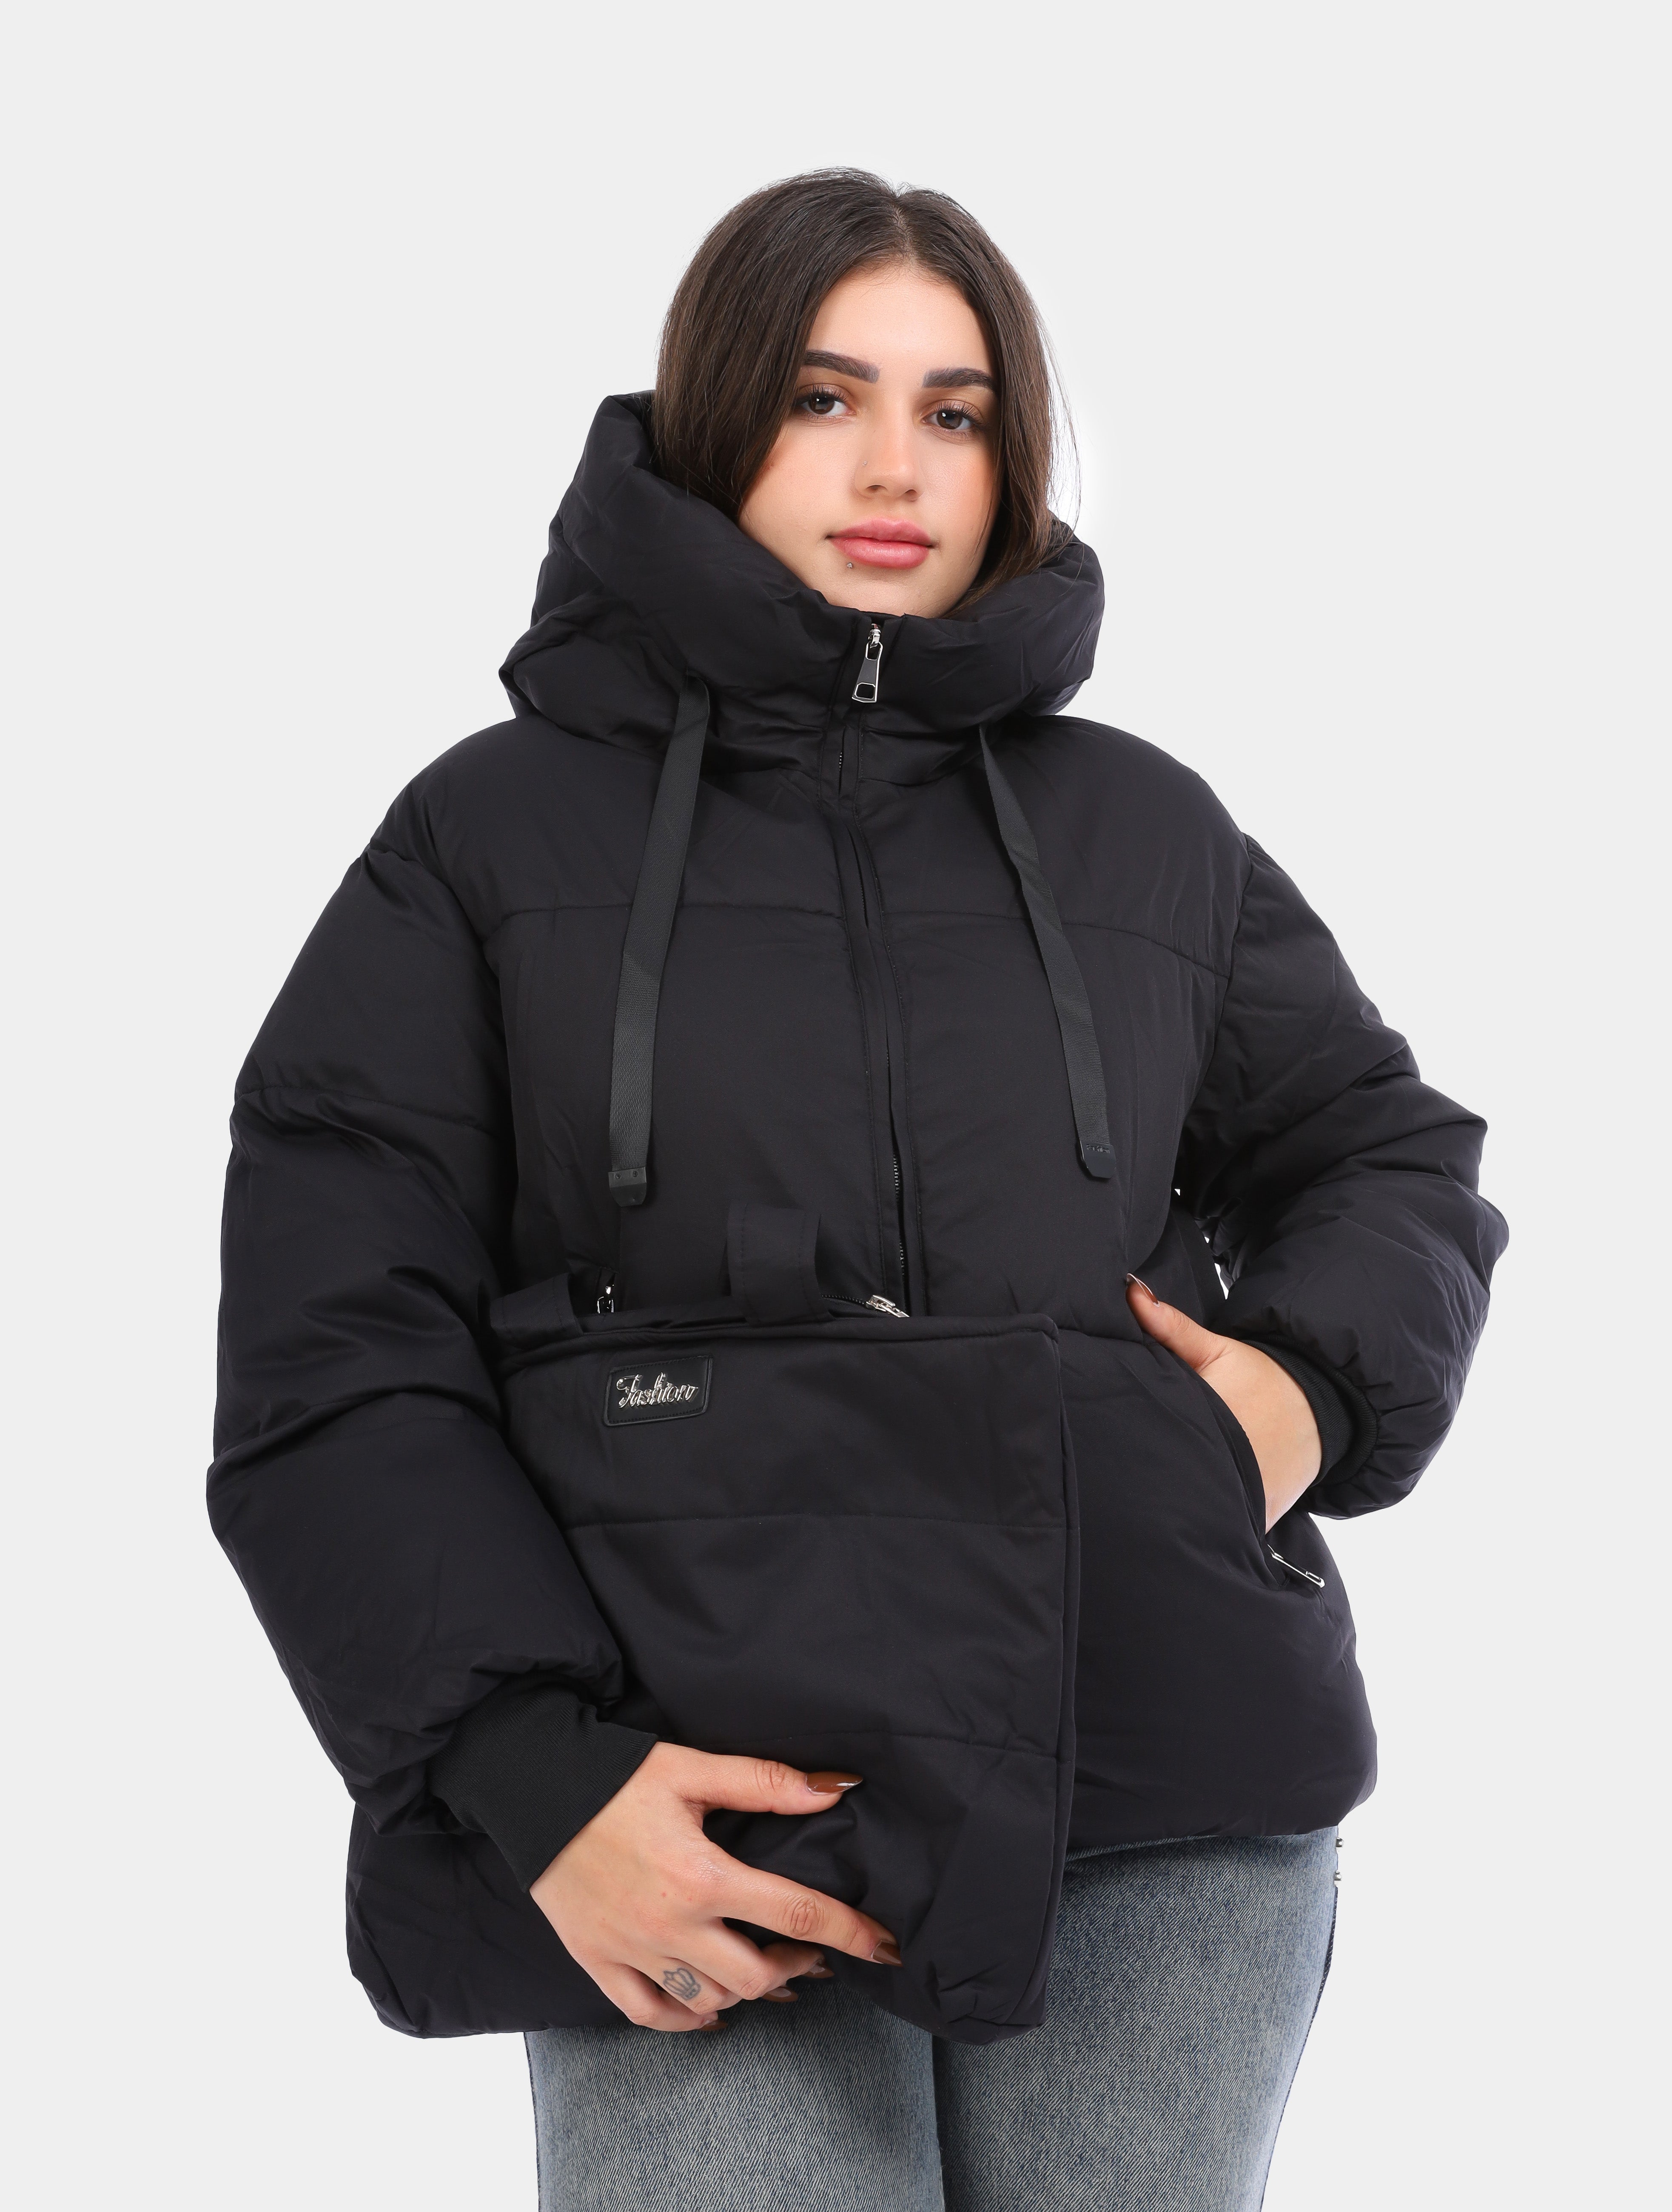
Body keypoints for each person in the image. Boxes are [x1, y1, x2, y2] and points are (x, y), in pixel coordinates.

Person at [211, 169, 1506, 2210]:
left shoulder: (1140, 830)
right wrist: (535, 1777)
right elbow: (333, 1351)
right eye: (825, 397)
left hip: (1157, 1784)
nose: (895, 466)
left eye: (955, 411)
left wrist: (1297, 1396)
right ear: (719, 420)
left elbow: (1381, 1147)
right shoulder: (486, 841)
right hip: (703, 1807)